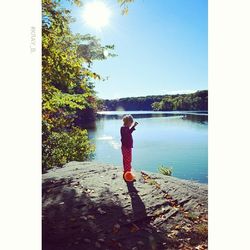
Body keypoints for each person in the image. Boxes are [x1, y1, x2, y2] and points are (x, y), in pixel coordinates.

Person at [120, 115, 138, 181]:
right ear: (128, 122)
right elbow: (127, 134)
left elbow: (128, 133)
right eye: (131, 122)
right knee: (127, 161)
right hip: (126, 147)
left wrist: (133, 126)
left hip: (127, 147)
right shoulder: (124, 128)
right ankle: (128, 176)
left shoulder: (125, 128)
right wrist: (132, 127)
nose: (131, 124)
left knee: (127, 160)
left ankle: (126, 173)